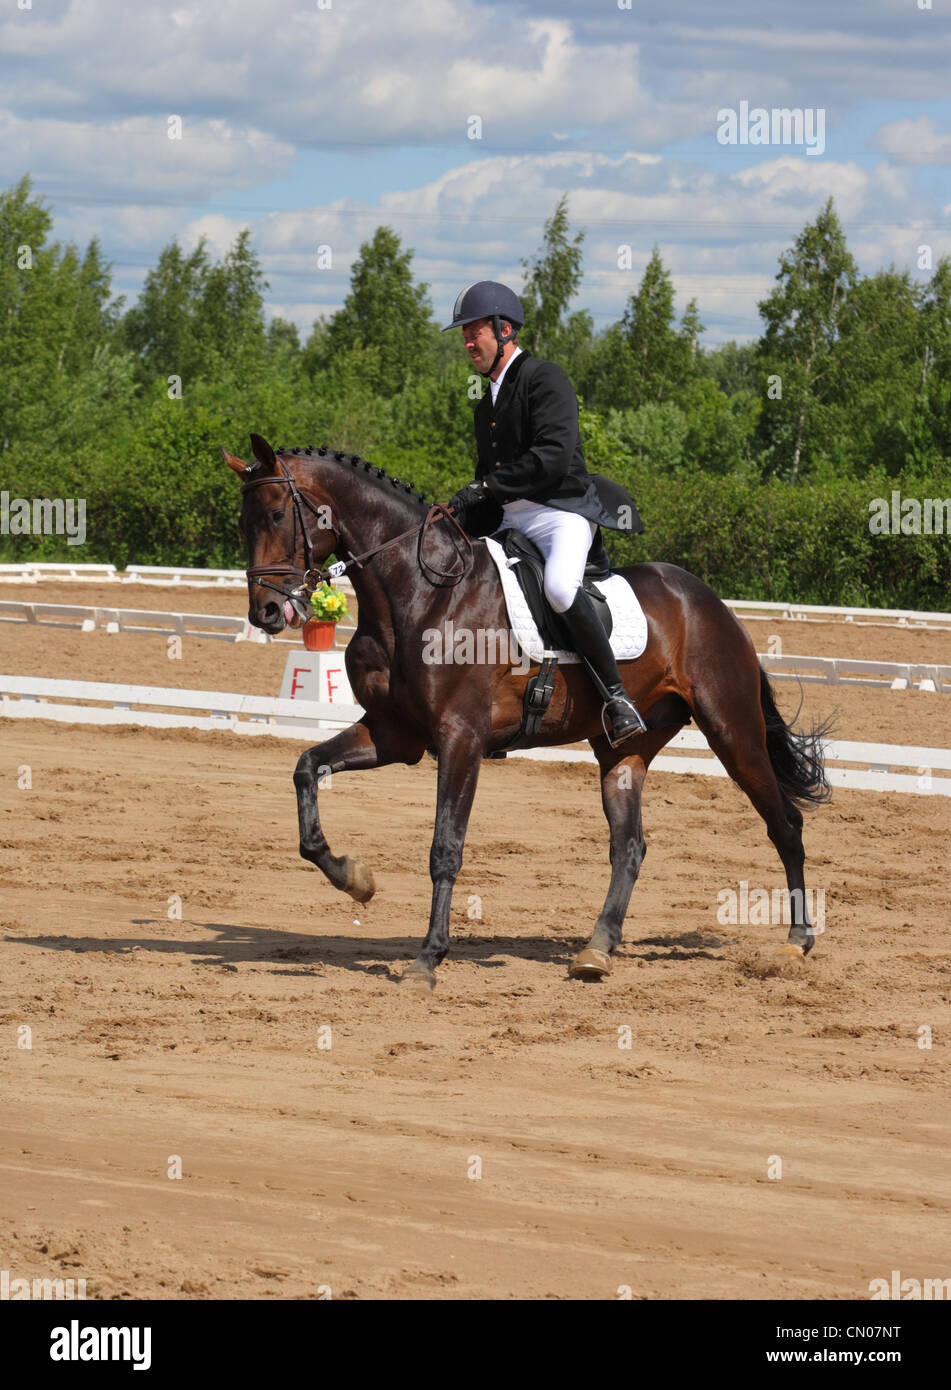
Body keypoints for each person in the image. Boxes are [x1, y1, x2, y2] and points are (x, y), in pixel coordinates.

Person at [444, 280, 647, 746]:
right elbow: (488, 479)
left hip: (559, 511)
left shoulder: (544, 377)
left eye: (475, 332)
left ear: (505, 329)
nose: (468, 343)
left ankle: (617, 698)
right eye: (464, 336)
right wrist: (455, 515)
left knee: (558, 587)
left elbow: (552, 457)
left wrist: (485, 487)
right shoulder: (486, 403)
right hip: (509, 518)